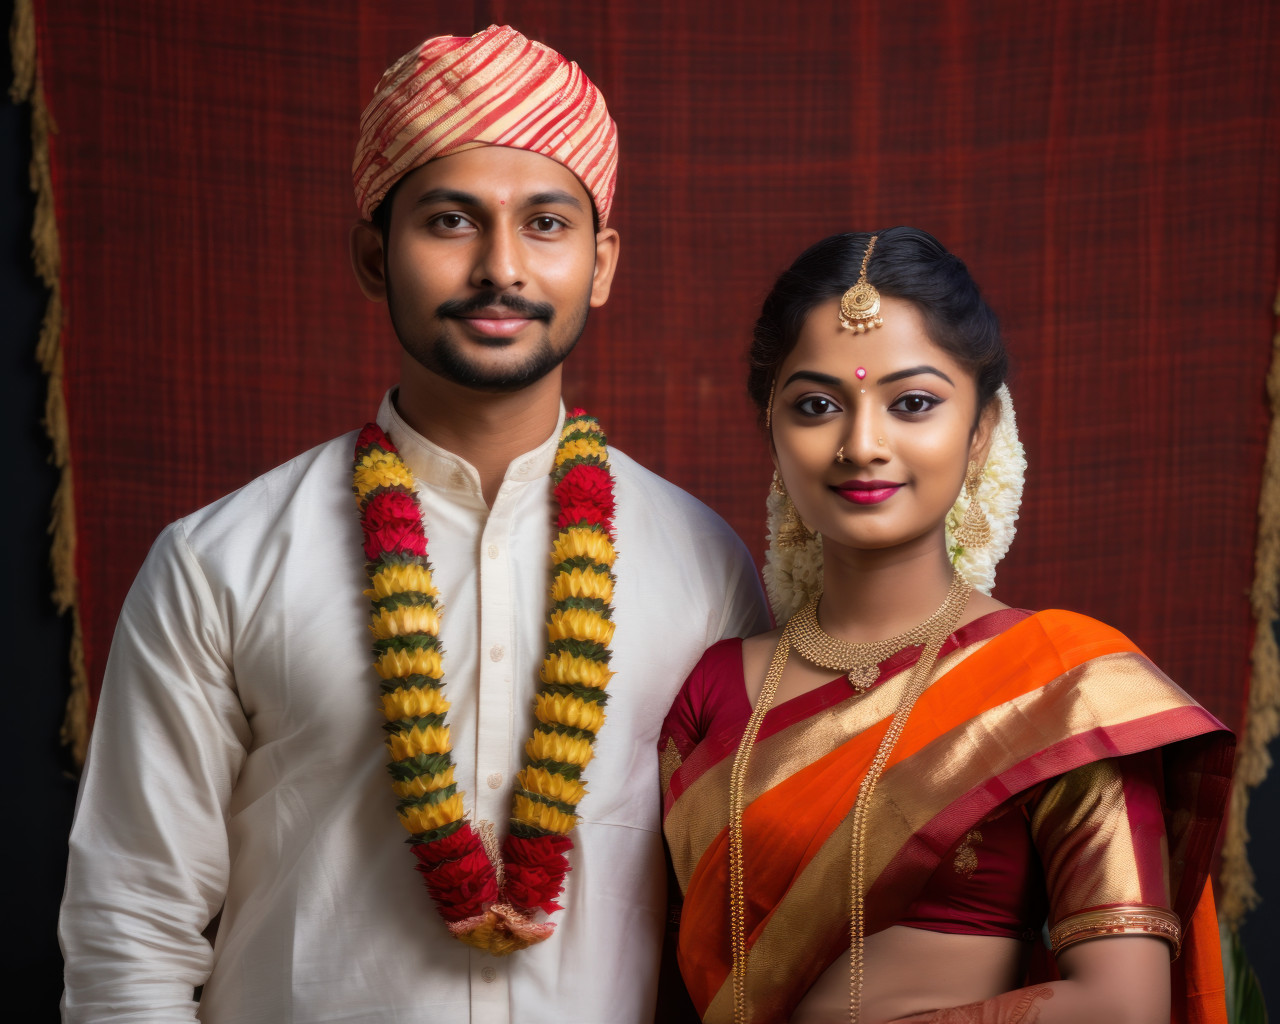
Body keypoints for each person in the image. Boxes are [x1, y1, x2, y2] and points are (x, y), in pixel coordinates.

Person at [58, 25, 768, 1024]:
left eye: (546, 223)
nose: (500, 267)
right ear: (371, 255)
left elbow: (746, 912)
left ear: (602, 263)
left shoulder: (704, 569)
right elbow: (129, 932)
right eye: (449, 220)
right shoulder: (217, 563)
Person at [659, 227, 1233, 1024]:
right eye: (817, 406)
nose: (863, 444)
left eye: (913, 404)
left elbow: (1122, 1006)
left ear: (982, 430)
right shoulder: (715, 690)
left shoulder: (1060, 687)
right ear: (772, 431)